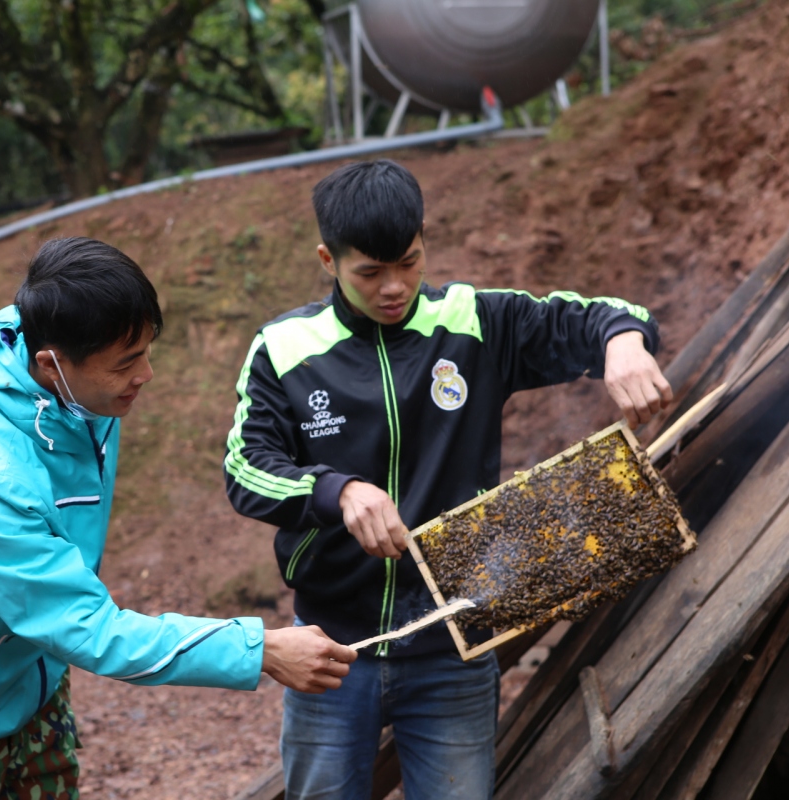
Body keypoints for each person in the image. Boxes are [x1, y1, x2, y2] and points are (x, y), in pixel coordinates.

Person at [0, 236, 356, 800]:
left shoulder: (78, 396)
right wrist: (260, 651)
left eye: (145, 350)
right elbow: (87, 627)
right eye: (127, 362)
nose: (147, 375)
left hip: (28, 683)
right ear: (50, 364)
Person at [223, 160, 672, 800]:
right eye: (370, 273)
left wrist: (624, 343)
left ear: (424, 239)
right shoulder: (285, 348)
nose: (393, 287)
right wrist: (337, 490)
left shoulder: (473, 323)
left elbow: (603, 314)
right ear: (328, 260)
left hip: (454, 645)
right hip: (330, 649)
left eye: (408, 262)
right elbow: (245, 468)